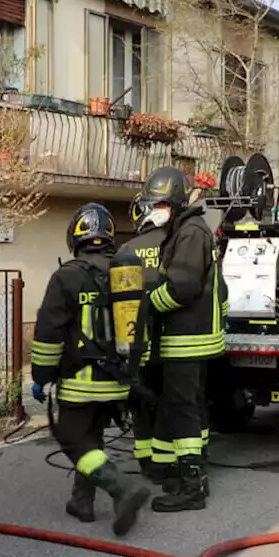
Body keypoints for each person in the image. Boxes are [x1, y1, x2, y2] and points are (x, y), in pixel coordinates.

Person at [29, 203, 150, 536]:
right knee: (92, 437)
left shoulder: (66, 276)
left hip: (81, 382)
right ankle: (81, 502)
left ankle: (121, 488)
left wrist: (41, 377)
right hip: (120, 381)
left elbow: (49, 334)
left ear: (75, 238)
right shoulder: (123, 274)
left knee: (72, 441)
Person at [141, 167, 226, 513]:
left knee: (183, 410)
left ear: (175, 202)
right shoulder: (186, 230)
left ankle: (192, 486)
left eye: (159, 204)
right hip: (192, 338)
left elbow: (182, 288)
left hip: (186, 339)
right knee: (190, 405)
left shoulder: (190, 234)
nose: (154, 210)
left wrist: (149, 305)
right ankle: (184, 473)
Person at [119, 196, 176, 484]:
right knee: (169, 404)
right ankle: (167, 464)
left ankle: (146, 461)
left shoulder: (127, 250)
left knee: (140, 407)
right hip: (173, 342)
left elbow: (120, 303)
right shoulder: (177, 243)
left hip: (136, 346)